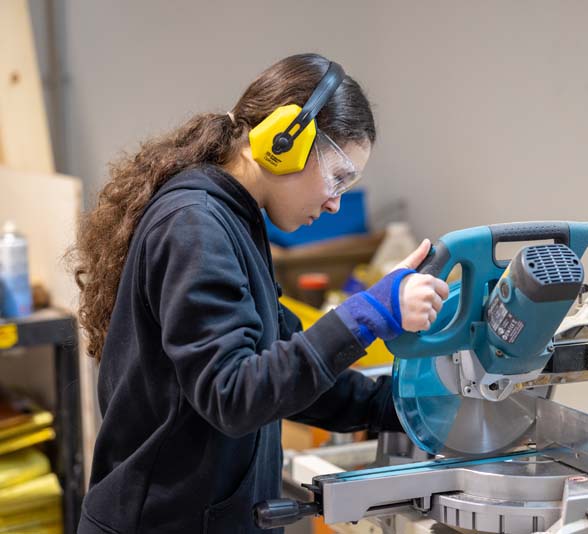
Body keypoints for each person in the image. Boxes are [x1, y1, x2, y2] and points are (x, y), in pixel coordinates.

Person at [71, 53, 449, 534]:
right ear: (284, 141)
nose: (336, 201)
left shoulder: (233, 222)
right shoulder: (195, 226)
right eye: (338, 176)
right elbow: (235, 395)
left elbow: (283, 373)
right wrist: (371, 311)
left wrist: (407, 407)